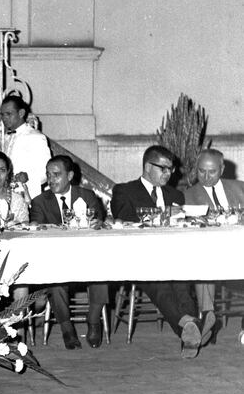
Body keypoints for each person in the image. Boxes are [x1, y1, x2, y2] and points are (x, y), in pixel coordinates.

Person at [111, 145, 213, 358]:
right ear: (148, 166)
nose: (168, 174)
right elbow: (125, 220)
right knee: (161, 284)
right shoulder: (124, 190)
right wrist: (163, 215)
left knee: (182, 284)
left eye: (171, 169)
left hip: (172, 257)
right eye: (163, 169)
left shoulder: (175, 194)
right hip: (140, 259)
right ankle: (189, 324)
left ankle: (189, 331)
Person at [29, 155, 108, 348]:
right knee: (55, 280)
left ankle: (94, 321)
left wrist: (98, 224)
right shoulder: (40, 201)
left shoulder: (87, 196)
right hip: (56, 259)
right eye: (48, 175)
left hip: (87, 257)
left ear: (70, 175)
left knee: (103, 271)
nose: (51, 179)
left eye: (56, 174)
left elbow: (98, 223)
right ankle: (66, 328)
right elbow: (38, 230)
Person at [184, 149, 244, 326]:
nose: (207, 177)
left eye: (212, 171)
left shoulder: (240, 188)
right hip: (210, 253)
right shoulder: (188, 195)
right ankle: (208, 317)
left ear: (222, 169)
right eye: (201, 171)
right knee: (202, 264)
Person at [0, 96, 51, 200]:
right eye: (2, 114)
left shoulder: (36, 137)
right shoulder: (6, 138)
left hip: (28, 197)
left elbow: (46, 171)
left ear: (21, 113)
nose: (4, 118)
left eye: (9, 114)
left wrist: (28, 176)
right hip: (7, 196)